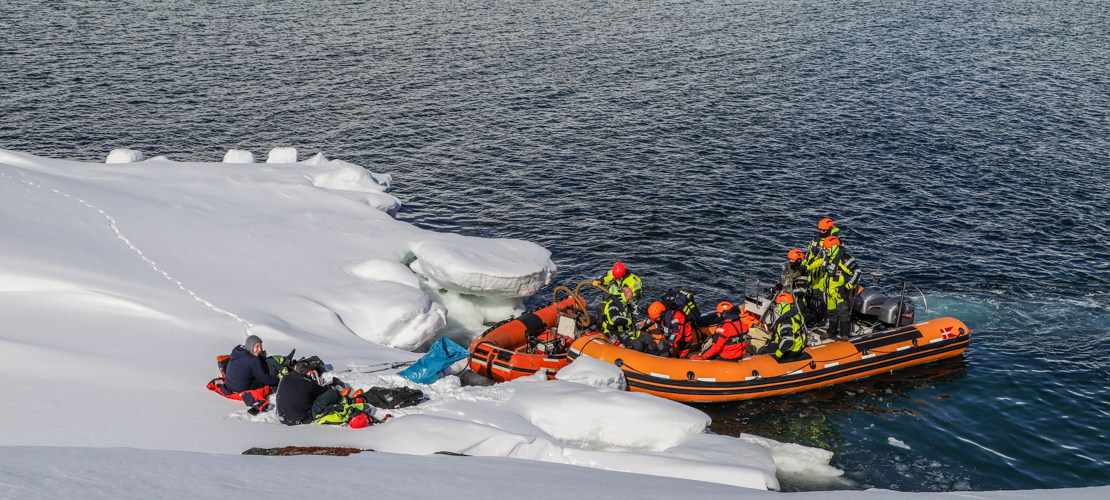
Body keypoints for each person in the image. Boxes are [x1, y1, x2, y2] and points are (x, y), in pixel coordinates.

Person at [276, 360, 374, 428]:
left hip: (283, 417)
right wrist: (330, 388)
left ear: (296, 367)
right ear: (309, 373)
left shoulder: (286, 376)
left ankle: (345, 400)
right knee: (330, 394)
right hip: (302, 418)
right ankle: (347, 401)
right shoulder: (308, 382)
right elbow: (321, 391)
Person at [219, 335, 289, 412]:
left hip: (229, 385)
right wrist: (278, 380)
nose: (259, 349)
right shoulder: (253, 359)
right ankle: (284, 366)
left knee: (263, 362)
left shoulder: (237, 350)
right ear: (251, 345)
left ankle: (284, 361)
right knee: (270, 369)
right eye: (257, 346)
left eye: (261, 347)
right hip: (242, 389)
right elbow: (263, 378)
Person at [822, 235, 861, 341]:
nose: (825, 251)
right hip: (830, 291)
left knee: (843, 313)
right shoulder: (829, 258)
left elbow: (857, 272)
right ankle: (831, 332)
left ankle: (845, 334)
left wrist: (847, 287)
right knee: (832, 312)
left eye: (827, 249)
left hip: (841, 291)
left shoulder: (844, 259)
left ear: (834, 247)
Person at [758, 293, 806, 361]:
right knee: (767, 344)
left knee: (761, 350)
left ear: (783, 304)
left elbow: (788, 340)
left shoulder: (786, 320)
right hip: (798, 345)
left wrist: (778, 354)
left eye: (778, 304)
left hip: (790, 349)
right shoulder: (796, 313)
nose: (777, 306)